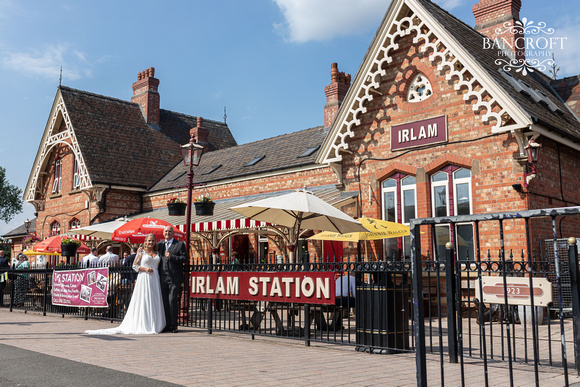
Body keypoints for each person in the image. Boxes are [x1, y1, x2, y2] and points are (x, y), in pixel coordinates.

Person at [85, 234, 165, 335]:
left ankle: (155, 323)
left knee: (155, 299)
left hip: (155, 278)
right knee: (144, 299)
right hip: (144, 277)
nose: (151, 243)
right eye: (149, 241)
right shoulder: (141, 252)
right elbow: (135, 266)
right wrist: (145, 269)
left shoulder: (157, 252)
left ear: (155, 242)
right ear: (145, 241)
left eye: (153, 241)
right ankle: (145, 323)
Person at [158, 226, 187, 333]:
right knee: (164, 301)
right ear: (163, 233)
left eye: (169, 231)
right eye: (166, 231)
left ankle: (174, 325)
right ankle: (167, 324)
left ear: (173, 233)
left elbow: (185, 258)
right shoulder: (160, 244)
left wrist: (172, 256)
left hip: (174, 278)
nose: (167, 233)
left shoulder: (179, 244)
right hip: (162, 277)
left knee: (172, 301)